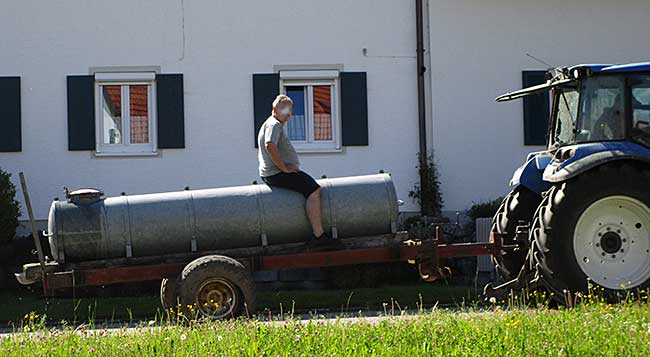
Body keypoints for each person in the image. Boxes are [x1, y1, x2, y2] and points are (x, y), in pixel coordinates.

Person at [257, 94, 331, 244]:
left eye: (289, 110)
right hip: (276, 173)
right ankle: (318, 235)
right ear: (274, 109)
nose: (288, 114)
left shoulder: (272, 123)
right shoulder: (274, 125)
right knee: (313, 189)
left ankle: (318, 234)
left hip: (275, 172)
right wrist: (284, 168)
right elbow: (269, 145)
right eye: (284, 109)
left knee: (310, 187)